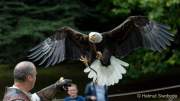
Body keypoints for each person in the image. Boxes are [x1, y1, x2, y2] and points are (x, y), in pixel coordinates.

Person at [3, 61, 72, 101]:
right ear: (29, 77)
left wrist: (56, 87)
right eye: (35, 75)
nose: (36, 78)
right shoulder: (17, 99)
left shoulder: (19, 94)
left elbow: (39, 97)